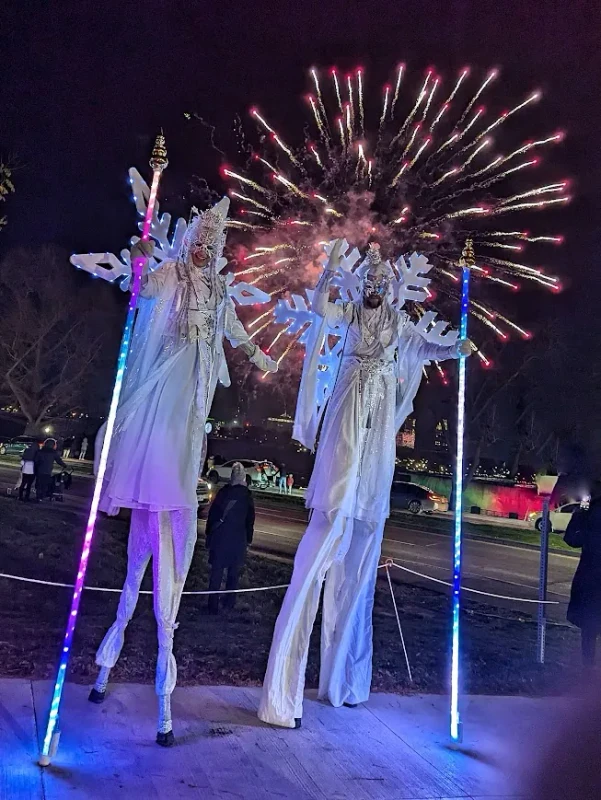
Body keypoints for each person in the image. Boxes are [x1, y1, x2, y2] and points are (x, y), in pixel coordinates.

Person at [259, 239, 471, 728]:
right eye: (369, 283)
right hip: (347, 412)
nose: (375, 290)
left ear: (390, 289)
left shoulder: (398, 324)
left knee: (363, 539)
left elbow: (427, 348)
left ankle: (345, 681)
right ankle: (285, 688)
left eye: (381, 284)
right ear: (364, 286)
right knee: (333, 511)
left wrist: (456, 348)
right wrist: (331, 269)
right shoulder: (352, 314)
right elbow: (320, 309)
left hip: (378, 424)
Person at [89, 197, 277, 746]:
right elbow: (145, 289)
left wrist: (261, 358)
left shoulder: (217, 291)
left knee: (162, 559)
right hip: (167, 379)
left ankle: (146, 675)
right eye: (199, 238)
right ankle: (112, 659)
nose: (203, 247)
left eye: (212, 242)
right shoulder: (174, 274)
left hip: (194, 396)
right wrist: (142, 254)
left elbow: (236, 333)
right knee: (136, 569)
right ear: (191, 239)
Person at [205, 462, 255, 614]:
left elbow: (213, 515)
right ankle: (229, 603)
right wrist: (248, 540)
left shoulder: (223, 492)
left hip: (220, 540)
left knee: (216, 574)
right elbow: (250, 521)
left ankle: (212, 606)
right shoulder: (247, 496)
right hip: (237, 541)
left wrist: (209, 534)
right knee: (233, 574)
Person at [564, 483, 601, 666]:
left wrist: (578, 516)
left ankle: (587, 675)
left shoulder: (591, 513)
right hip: (591, 578)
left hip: (591, 578)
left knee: (589, 631)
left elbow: (572, 539)